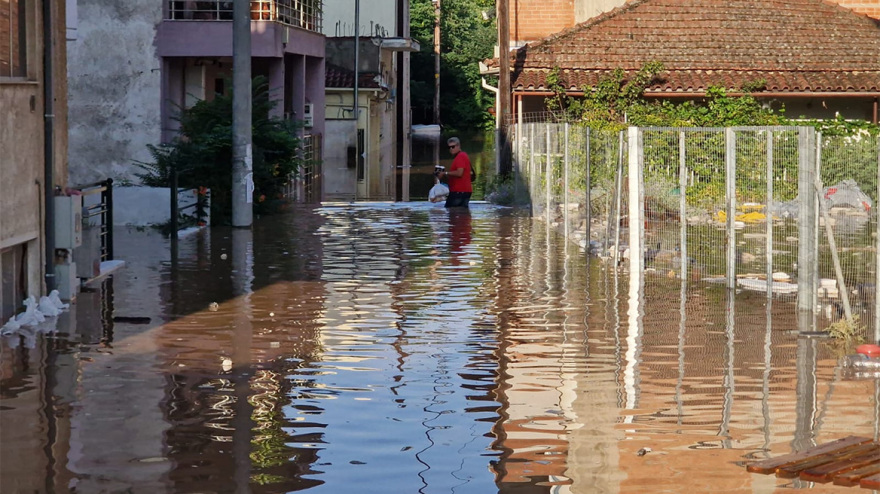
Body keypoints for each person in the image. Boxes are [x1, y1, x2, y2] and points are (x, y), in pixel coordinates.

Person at [440, 137, 472, 208]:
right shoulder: (461, 156)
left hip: (459, 191)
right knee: (460, 213)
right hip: (462, 191)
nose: (451, 149)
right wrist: (442, 176)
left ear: (458, 146)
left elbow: (459, 173)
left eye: (453, 147)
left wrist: (446, 173)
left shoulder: (461, 156)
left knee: (452, 212)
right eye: (449, 147)